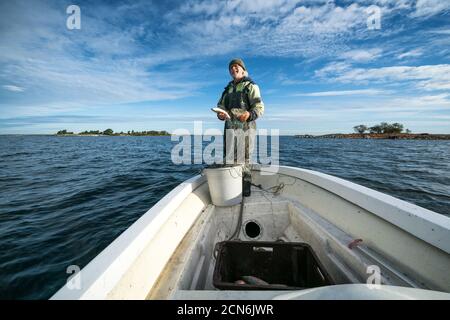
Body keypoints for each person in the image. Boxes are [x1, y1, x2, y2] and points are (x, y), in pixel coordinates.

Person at [216, 58, 265, 196]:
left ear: (243, 69)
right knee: (229, 156)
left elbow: (259, 107)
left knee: (245, 157)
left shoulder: (251, 86)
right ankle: (231, 185)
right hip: (229, 127)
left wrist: (249, 114)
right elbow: (221, 106)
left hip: (246, 127)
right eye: (231, 67)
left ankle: (245, 185)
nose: (233, 69)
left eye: (236, 66)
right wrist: (220, 114)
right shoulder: (227, 89)